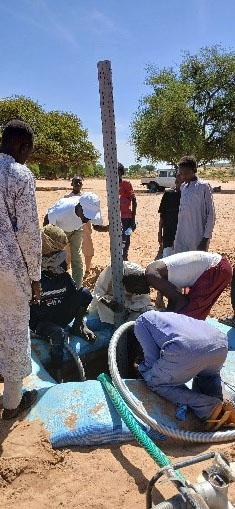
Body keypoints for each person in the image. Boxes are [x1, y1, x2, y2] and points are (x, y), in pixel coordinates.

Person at [0, 120, 42, 420]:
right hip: (9, 269)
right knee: (14, 328)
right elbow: (28, 232)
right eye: (29, 149)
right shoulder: (19, 175)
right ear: (21, 145)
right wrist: (36, 276)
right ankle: (12, 403)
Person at [134, 310, 235, 430]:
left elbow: (151, 359)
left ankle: (208, 407)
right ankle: (222, 406)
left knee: (154, 381)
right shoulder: (164, 317)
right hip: (220, 343)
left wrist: (142, 369)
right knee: (208, 376)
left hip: (185, 348)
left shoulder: (140, 323)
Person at [30, 225, 95, 381]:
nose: (58, 257)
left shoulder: (62, 273)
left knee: (85, 294)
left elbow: (76, 296)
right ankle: (57, 371)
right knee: (57, 333)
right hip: (41, 322)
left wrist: (81, 322)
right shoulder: (34, 274)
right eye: (54, 253)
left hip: (58, 314)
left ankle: (77, 328)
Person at [123, 251, 232, 320]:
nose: (139, 293)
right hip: (215, 267)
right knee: (188, 315)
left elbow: (180, 301)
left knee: (190, 315)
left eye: (135, 291)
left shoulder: (151, 276)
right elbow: (175, 297)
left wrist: (163, 320)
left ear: (137, 284)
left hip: (215, 270)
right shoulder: (153, 271)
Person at [44, 192, 108, 289]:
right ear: (79, 206)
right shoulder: (60, 211)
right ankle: (58, 287)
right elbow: (48, 226)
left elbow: (96, 226)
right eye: (86, 216)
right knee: (58, 258)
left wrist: (109, 228)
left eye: (89, 217)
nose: (87, 220)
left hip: (77, 229)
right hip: (60, 230)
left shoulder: (92, 209)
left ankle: (77, 288)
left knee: (76, 258)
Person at [89, 262, 154, 325]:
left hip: (127, 307)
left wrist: (129, 308)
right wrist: (108, 303)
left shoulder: (143, 281)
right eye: (134, 291)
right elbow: (98, 293)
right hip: (108, 302)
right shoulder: (113, 270)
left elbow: (140, 302)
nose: (137, 293)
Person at [174, 156, 215, 253]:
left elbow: (211, 214)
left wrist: (205, 239)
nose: (183, 177)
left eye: (186, 173)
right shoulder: (183, 187)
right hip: (181, 236)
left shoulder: (203, 186)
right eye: (181, 174)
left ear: (194, 170)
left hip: (198, 237)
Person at [64, 176, 95, 275]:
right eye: (75, 182)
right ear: (71, 184)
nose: (78, 184)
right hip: (70, 227)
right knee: (68, 249)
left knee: (87, 247)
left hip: (84, 226)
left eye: (80, 182)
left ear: (82, 184)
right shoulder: (66, 198)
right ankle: (66, 270)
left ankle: (87, 270)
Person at [158, 173, 183, 258]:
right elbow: (162, 215)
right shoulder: (168, 194)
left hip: (183, 236)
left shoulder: (188, 196)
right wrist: (159, 233)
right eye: (179, 181)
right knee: (167, 258)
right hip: (168, 234)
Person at [118, 163, 137, 261]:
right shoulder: (111, 184)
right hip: (115, 217)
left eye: (117, 171)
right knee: (117, 238)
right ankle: (118, 257)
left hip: (126, 217)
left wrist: (133, 220)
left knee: (126, 238)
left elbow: (134, 201)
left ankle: (125, 256)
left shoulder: (126, 184)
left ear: (121, 172)